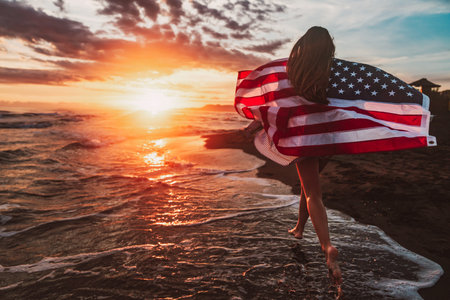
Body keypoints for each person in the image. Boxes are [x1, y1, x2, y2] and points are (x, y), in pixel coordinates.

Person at [285, 26, 342, 285]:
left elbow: (280, 100)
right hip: (328, 134)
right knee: (310, 185)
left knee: (312, 193)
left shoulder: (293, 69)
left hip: (306, 135)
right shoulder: (335, 70)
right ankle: (299, 228)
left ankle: (327, 247)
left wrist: (256, 125)